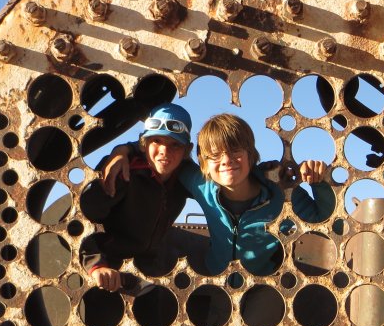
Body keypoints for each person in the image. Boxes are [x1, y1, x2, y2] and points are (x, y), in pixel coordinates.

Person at [103, 112, 335, 276]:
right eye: (214, 155)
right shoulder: (201, 184)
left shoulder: (279, 194)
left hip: (264, 282)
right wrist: (123, 150)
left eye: (235, 151)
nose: (225, 161)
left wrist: (318, 181)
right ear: (204, 163)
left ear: (250, 154)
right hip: (216, 277)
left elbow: (322, 215)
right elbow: (164, 154)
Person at [79, 103, 192, 293]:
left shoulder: (183, 178)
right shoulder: (123, 173)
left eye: (175, 144)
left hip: (147, 269)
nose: (164, 151)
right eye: (156, 141)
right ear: (143, 144)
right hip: (108, 268)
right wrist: (96, 265)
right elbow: (81, 218)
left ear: (187, 150)